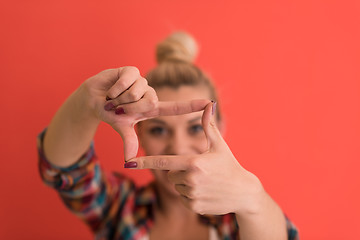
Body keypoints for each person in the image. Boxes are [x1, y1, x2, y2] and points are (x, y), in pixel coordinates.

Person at [38, 32, 299, 240]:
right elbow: (65, 170)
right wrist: (86, 101)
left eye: (196, 127)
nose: (178, 147)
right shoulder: (120, 210)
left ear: (222, 127)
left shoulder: (239, 223)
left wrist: (252, 199)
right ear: (139, 133)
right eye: (159, 130)